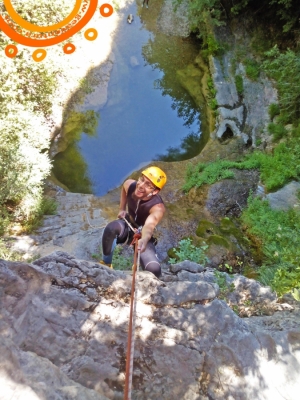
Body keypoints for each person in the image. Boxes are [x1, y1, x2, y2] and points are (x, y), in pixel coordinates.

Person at [101, 166, 167, 278]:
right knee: (111, 229)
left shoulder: (157, 207)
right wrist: (122, 209)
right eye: (142, 180)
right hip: (128, 224)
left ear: (155, 191)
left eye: (148, 185)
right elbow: (124, 188)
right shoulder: (130, 185)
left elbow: (149, 225)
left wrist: (144, 239)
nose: (141, 185)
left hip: (142, 234)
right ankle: (106, 263)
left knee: (154, 270)